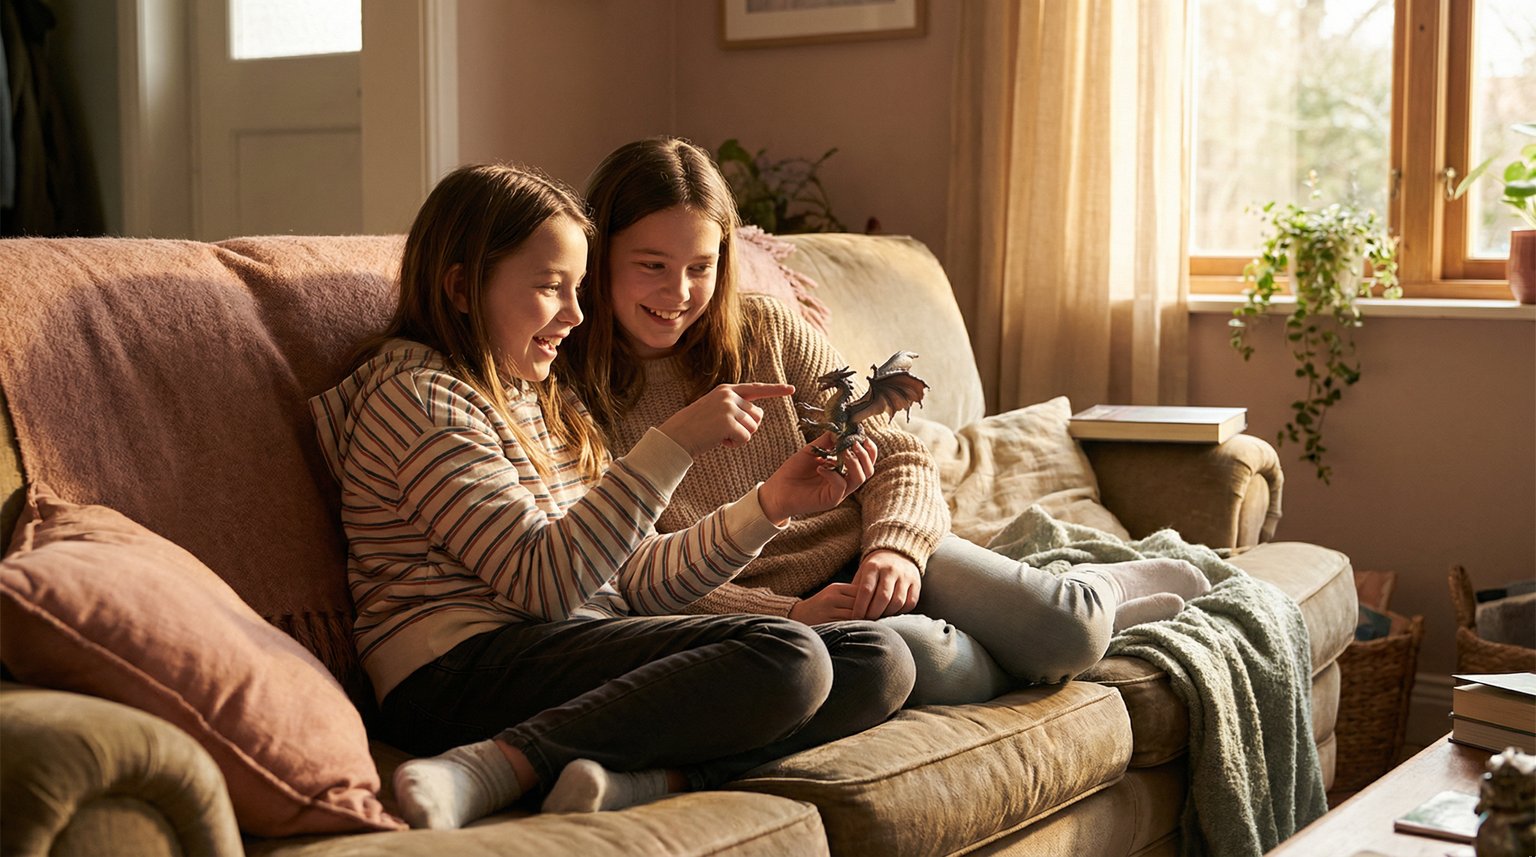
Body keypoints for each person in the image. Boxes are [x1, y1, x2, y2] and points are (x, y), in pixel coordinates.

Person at [309, 163, 916, 830]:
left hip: (572, 642)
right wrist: (673, 442)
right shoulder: (414, 396)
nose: (574, 314)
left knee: (875, 659)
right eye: (549, 288)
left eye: (576, 289)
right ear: (460, 287)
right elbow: (543, 582)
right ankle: (495, 763)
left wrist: (770, 504)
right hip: (454, 674)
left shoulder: (540, 394)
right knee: (789, 656)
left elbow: (633, 579)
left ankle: (653, 777)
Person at [561, 137, 1211, 706]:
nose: (678, 294)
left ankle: (1090, 591)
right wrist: (790, 612)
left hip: (864, 545)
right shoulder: (570, 395)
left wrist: (895, 546)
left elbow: (895, 452)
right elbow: (630, 574)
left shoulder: (764, 330)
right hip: (774, 614)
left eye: (700, 268)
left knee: (1069, 630)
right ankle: (1028, 633)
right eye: (652, 266)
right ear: (601, 255)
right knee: (920, 660)